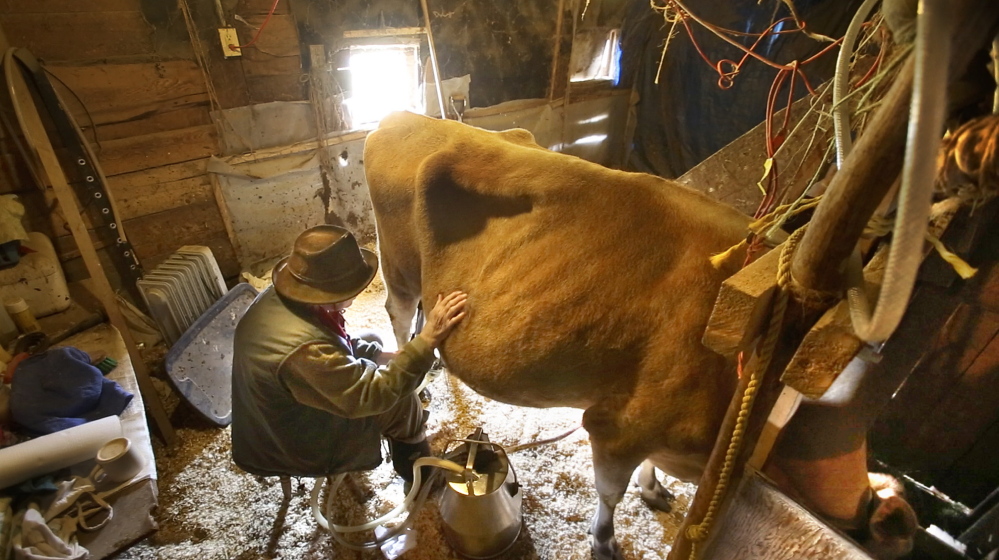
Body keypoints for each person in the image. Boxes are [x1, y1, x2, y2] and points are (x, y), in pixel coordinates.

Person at [231, 224, 467, 486]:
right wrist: (426, 341)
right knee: (401, 402)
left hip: (274, 414)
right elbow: (371, 397)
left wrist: (392, 356)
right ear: (330, 295)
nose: (358, 292)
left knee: (372, 341)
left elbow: (331, 342)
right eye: (354, 288)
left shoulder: (286, 294)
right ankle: (418, 475)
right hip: (287, 440)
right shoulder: (305, 352)